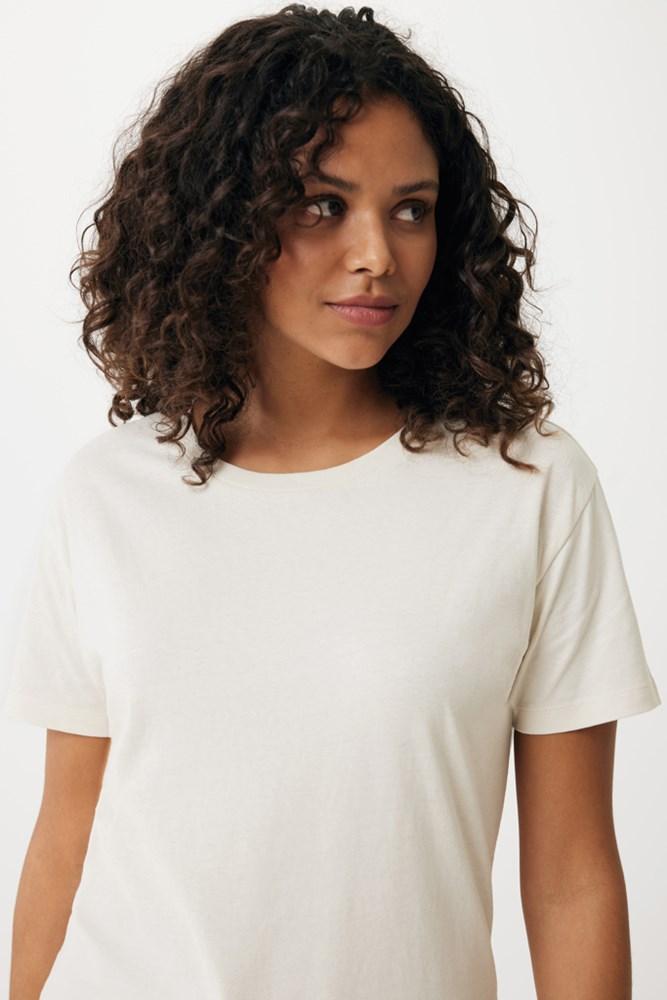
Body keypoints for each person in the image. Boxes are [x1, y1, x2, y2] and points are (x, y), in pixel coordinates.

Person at [3, 5, 661, 999]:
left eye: (411, 209)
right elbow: (66, 837)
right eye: (321, 204)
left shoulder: (524, 484)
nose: (377, 255)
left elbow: (571, 876)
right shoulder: (109, 492)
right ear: (223, 220)